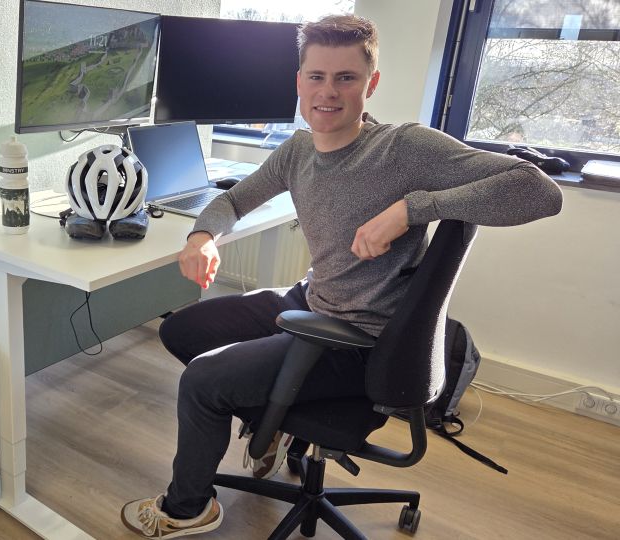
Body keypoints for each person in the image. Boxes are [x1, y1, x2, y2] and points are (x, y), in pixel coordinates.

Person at [119, 14, 562, 539]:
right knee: (181, 330)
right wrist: (202, 237)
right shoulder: (298, 150)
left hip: (358, 340)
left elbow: (539, 191)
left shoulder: (403, 148)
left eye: (345, 78)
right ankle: (273, 416)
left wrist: (411, 209)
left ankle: (187, 508)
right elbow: (233, 200)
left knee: (203, 382)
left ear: (370, 84)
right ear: (299, 81)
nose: (328, 92)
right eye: (317, 76)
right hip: (312, 300)